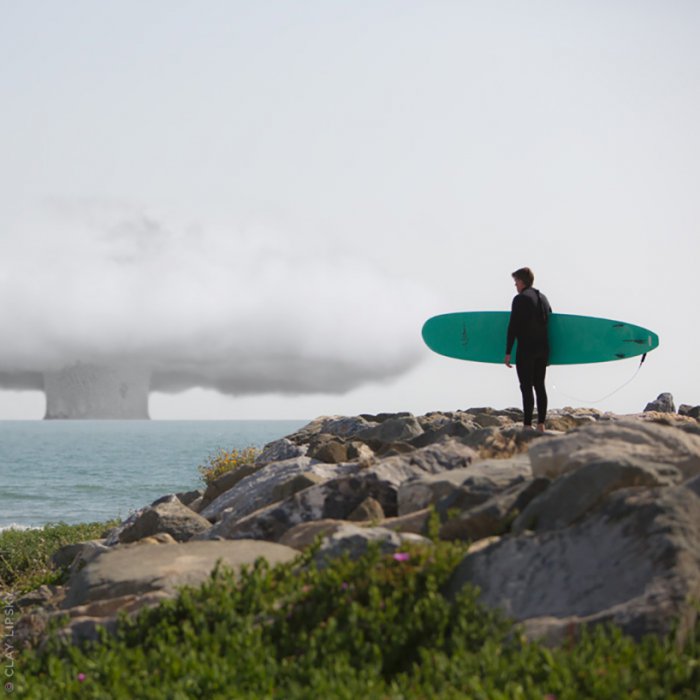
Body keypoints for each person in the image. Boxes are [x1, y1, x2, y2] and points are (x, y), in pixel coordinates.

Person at [505, 267, 552, 431]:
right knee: (540, 385)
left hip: (526, 349)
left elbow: (513, 326)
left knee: (526, 386)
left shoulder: (520, 299)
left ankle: (527, 425)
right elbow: (550, 320)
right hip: (543, 349)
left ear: (522, 281)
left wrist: (508, 351)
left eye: (516, 281)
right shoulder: (543, 298)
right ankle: (541, 423)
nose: (515, 285)